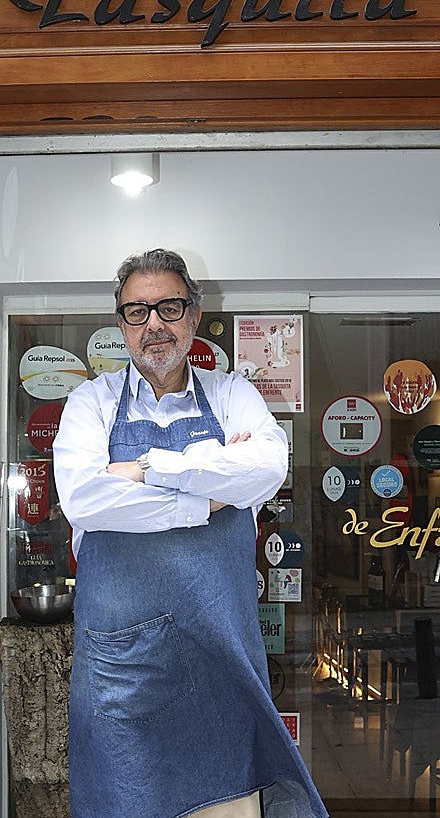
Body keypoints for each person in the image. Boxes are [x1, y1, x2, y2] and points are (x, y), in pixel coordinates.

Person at [52, 249, 328, 818]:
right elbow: (83, 496)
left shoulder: (232, 395)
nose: (153, 323)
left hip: (220, 674)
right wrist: (206, 495)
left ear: (194, 317)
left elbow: (268, 467)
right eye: (136, 311)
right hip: (121, 683)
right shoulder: (90, 403)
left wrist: (147, 469)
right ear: (121, 323)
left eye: (168, 307)